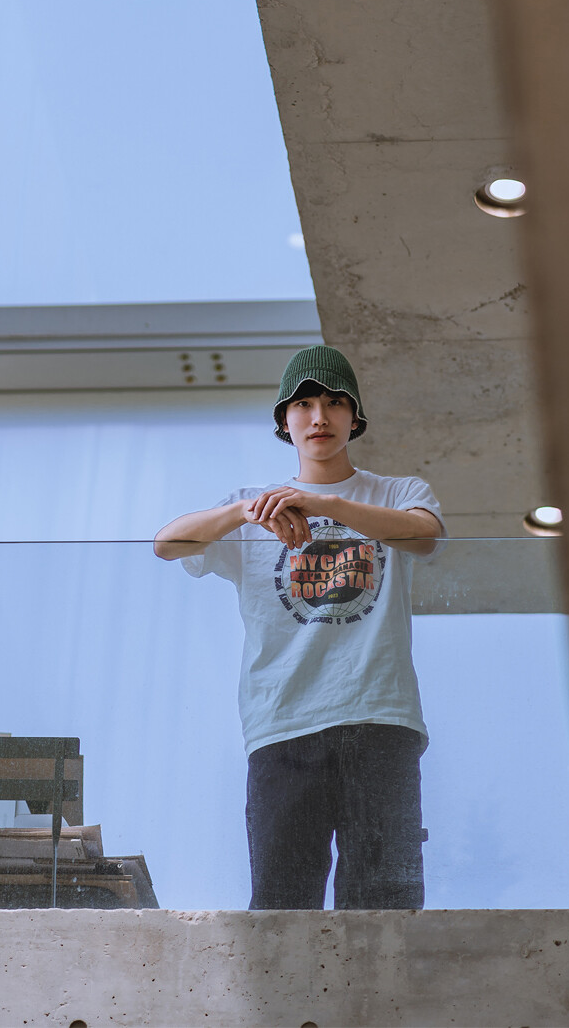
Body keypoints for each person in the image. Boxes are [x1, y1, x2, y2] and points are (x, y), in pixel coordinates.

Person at [154, 344, 443, 910]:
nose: (319, 417)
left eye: (335, 402)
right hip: (282, 721)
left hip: (380, 716)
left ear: (354, 417)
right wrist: (243, 512)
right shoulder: (254, 508)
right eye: (304, 404)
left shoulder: (397, 493)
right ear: (284, 421)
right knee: (282, 909)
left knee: (385, 909)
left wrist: (325, 505)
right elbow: (166, 545)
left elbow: (425, 537)